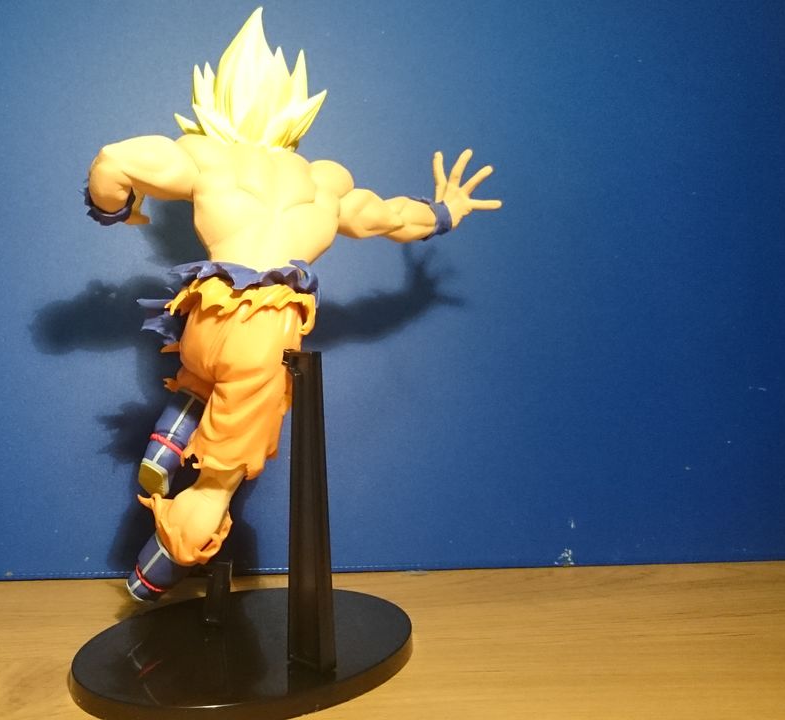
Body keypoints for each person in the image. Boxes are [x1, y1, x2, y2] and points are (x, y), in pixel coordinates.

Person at [84, 8, 501, 601]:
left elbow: (112, 162)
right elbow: (389, 217)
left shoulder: (204, 156)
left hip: (208, 310)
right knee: (216, 485)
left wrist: (120, 210)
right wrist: (444, 213)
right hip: (265, 331)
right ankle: (145, 584)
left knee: (200, 380)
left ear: (214, 101)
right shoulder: (322, 180)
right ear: (298, 112)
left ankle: (166, 445)